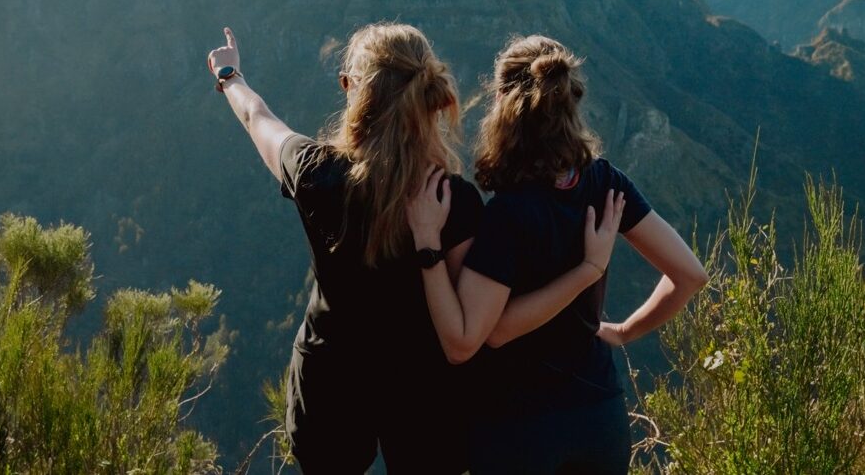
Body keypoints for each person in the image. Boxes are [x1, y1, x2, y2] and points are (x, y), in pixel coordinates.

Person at [207, 24, 622, 474]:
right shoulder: (454, 200)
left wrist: (231, 75)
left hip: (331, 382)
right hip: (427, 393)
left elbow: (257, 118)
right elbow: (473, 319)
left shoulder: (316, 173)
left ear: (353, 91)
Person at [406, 34, 709, 475]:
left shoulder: (509, 213)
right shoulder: (606, 184)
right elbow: (690, 275)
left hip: (518, 425)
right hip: (599, 418)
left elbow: (495, 332)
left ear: (501, 104)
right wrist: (625, 331)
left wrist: (589, 270)